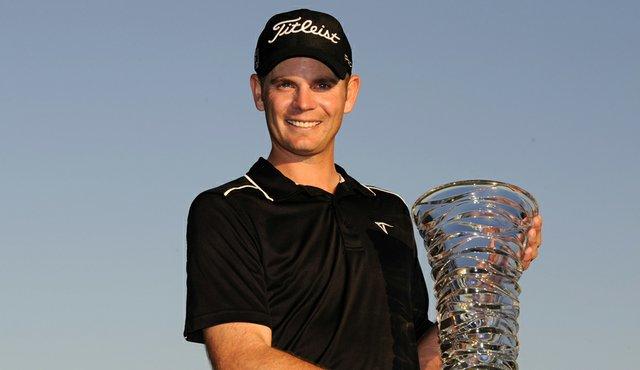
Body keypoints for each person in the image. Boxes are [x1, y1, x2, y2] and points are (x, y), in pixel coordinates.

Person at [183, 8, 543, 370]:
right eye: (285, 84)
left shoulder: (388, 210)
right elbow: (243, 359)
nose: (304, 102)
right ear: (259, 93)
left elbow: (415, 358)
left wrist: (485, 274)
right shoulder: (228, 209)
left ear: (350, 94)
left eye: (322, 84)